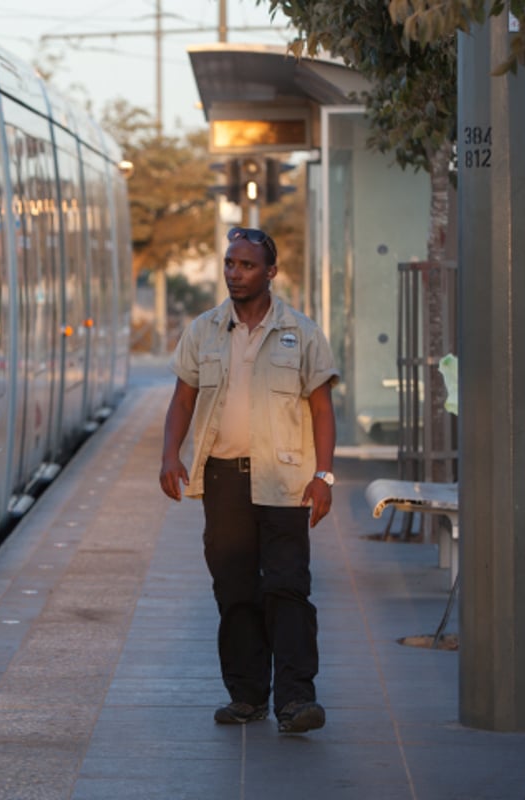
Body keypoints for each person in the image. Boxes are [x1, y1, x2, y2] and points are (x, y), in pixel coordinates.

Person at [159, 226, 339, 734]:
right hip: (223, 479)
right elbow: (183, 399)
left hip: (284, 481)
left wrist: (323, 475)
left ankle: (297, 700)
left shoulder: (301, 332)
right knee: (235, 590)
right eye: (230, 264)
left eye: (246, 266)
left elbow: (322, 409)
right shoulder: (204, 331)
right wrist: (170, 455)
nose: (234, 274)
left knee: (287, 588)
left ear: (271, 272)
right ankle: (246, 697)